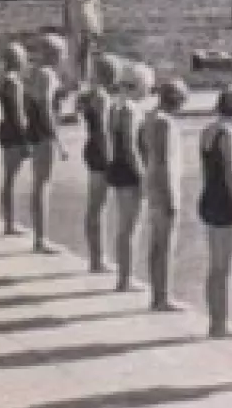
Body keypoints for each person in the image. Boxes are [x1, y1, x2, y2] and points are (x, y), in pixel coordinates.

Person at [198, 85, 232, 338]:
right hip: (228, 203)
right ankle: (222, 323)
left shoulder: (208, 131)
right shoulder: (230, 134)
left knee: (215, 265)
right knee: (227, 267)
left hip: (210, 198)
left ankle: (214, 320)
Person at [141, 78, 188, 312]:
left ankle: (156, 294)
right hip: (163, 186)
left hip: (151, 182)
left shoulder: (150, 116)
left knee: (156, 242)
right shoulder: (165, 123)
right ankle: (163, 297)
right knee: (165, 244)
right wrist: (171, 196)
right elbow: (164, 160)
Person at [108, 62, 153, 292]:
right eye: (148, 87)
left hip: (117, 167)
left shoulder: (116, 105)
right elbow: (130, 145)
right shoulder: (131, 109)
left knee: (124, 225)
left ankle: (124, 276)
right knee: (130, 226)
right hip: (129, 169)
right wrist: (143, 175)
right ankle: (125, 278)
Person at [25, 34, 69, 252]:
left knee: (39, 183)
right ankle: (41, 239)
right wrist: (57, 139)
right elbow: (45, 108)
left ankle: (39, 236)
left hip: (35, 130)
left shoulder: (34, 71)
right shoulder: (47, 75)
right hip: (44, 133)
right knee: (43, 184)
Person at [78, 54, 121, 273]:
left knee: (95, 206)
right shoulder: (102, 97)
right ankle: (97, 259)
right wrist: (112, 156)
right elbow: (104, 129)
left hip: (92, 147)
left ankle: (96, 256)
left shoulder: (90, 95)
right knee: (97, 207)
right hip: (101, 150)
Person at [0, 42, 31, 236]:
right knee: (11, 179)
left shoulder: (3, 80)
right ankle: (10, 222)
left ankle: (9, 221)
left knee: (9, 178)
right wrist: (25, 138)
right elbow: (18, 113)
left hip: (5, 128)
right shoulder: (14, 82)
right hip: (13, 131)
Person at [63, 0, 103, 93]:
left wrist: (99, 24)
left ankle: (86, 80)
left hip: (89, 22)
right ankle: (75, 80)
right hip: (75, 23)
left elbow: (97, 6)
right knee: (75, 52)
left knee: (87, 53)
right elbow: (66, 7)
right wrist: (66, 24)